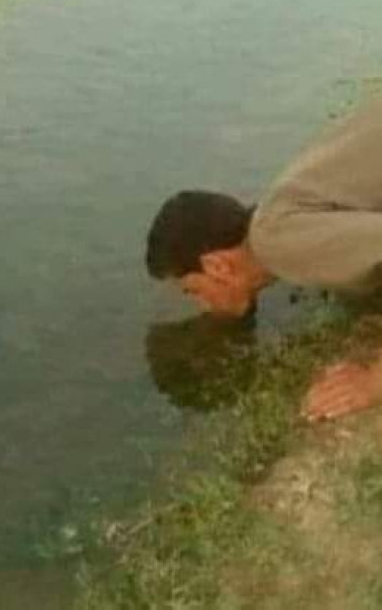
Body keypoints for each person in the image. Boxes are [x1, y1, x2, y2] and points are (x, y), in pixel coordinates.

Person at [145, 97, 382, 423]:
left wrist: (372, 381)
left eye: (193, 290)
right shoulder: (281, 207)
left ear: (216, 266)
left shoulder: (276, 244)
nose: (203, 305)